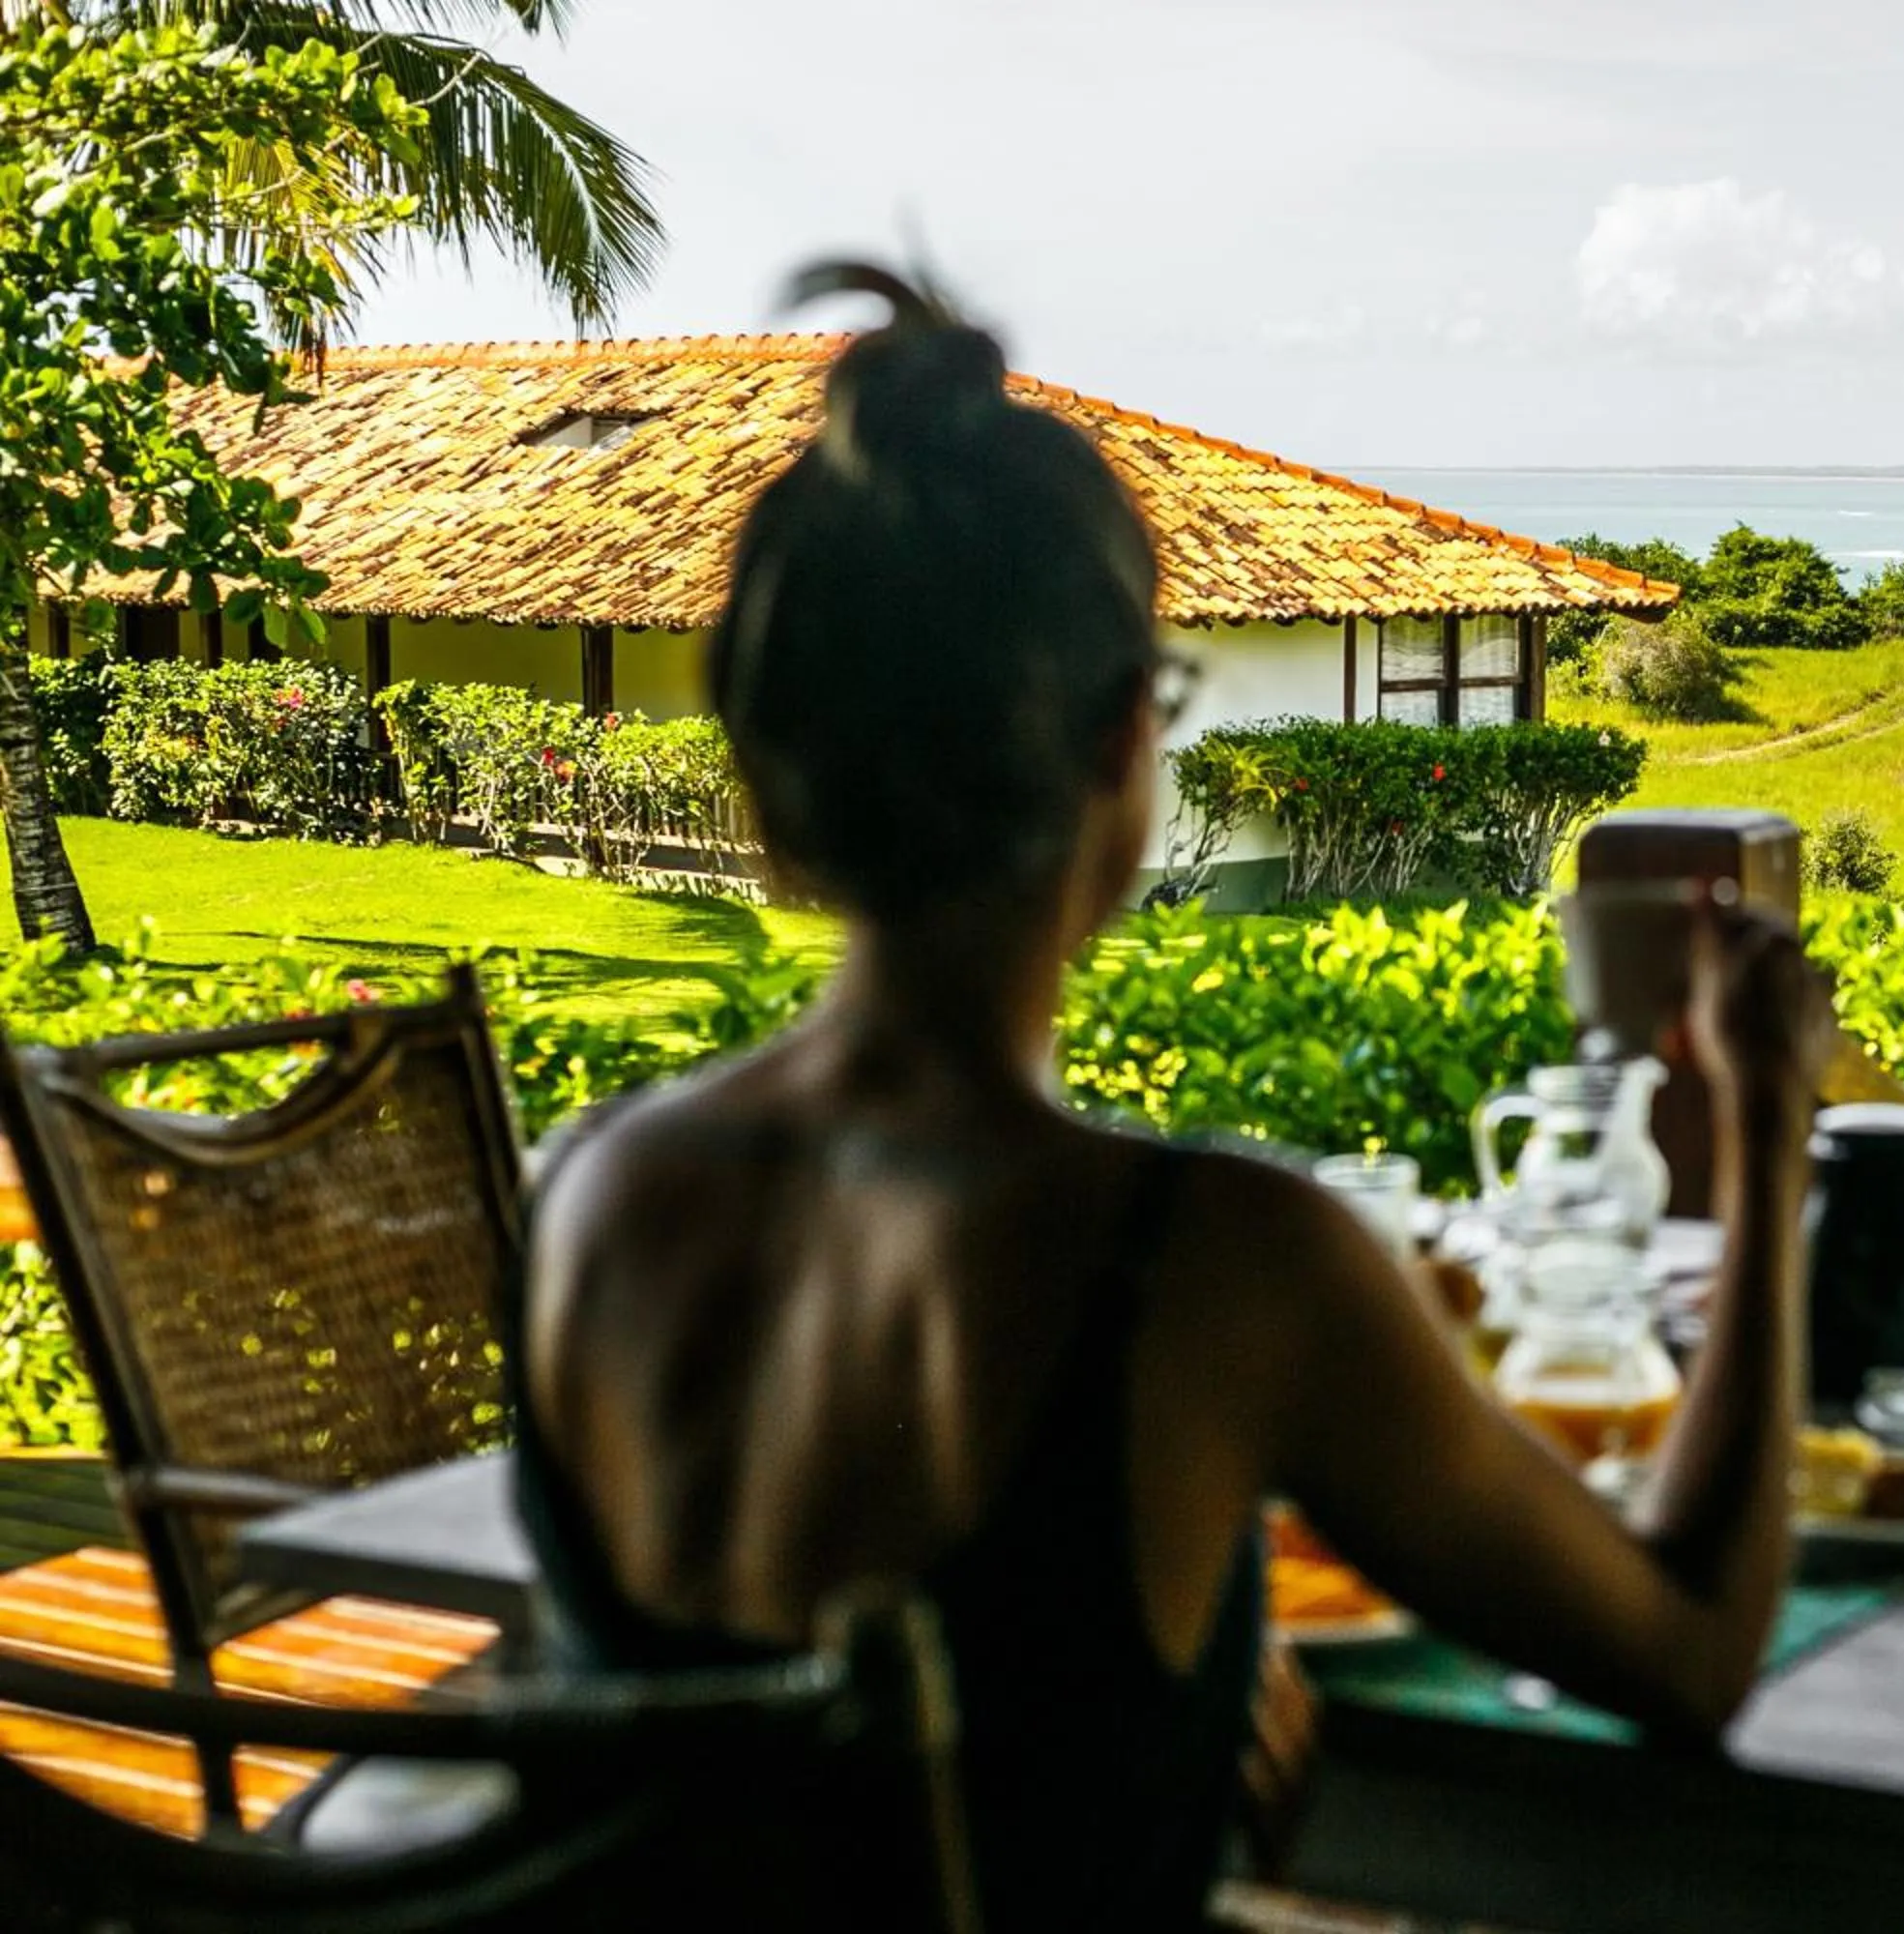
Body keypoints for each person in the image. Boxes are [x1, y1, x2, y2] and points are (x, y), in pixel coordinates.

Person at [515, 262, 1828, 1930]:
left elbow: (823, 1706)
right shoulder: (1211, 1265)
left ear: (765, 777)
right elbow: (1693, 1648)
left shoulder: (592, 1193)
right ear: (1129, 749)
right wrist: (1768, 1140)